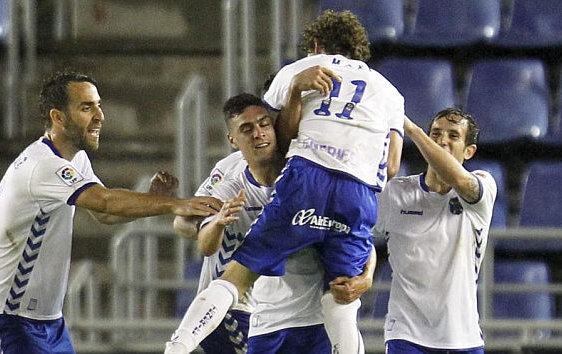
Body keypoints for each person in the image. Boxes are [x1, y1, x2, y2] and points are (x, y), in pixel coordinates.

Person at [165, 9, 404, 354]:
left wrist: (295, 91)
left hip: (306, 180)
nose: (262, 133)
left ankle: (177, 347)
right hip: (360, 192)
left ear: (317, 46)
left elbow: (283, 133)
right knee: (342, 301)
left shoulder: (298, 70)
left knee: (235, 278)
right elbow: (392, 166)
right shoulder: (389, 91)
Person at [0, 70, 222, 354]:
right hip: (8, 318)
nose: (100, 115)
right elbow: (104, 202)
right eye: (87, 107)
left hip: (47, 321)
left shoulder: (75, 158)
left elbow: (104, 215)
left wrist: (151, 201)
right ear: (58, 117)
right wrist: (176, 204)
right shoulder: (42, 165)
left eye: (98, 105)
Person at [375, 109, 496, 354]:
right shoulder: (394, 193)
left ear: (469, 151)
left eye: (453, 136)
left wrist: (413, 131)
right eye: (436, 134)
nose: (442, 140)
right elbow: (355, 231)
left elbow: (461, 183)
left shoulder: (483, 185)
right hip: (406, 335)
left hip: (463, 337)